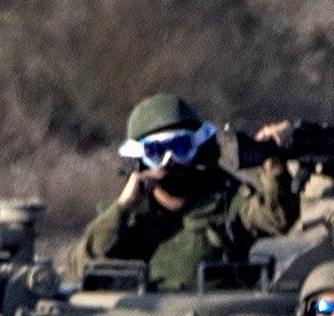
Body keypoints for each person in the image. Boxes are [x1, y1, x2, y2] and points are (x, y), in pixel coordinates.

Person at [78, 92, 298, 290]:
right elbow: (79, 268)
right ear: (138, 160)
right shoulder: (123, 218)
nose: (170, 161)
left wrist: (274, 166)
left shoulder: (226, 200)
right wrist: (122, 208)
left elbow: (276, 218)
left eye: (181, 147)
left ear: (199, 147)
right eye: (156, 152)